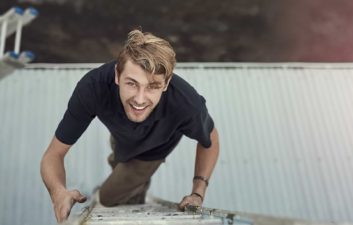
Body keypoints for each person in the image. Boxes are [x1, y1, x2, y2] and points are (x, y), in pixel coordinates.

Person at [40, 29, 219, 223]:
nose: (140, 99)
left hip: (153, 149)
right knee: (118, 157)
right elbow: (53, 154)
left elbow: (211, 141)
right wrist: (58, 192)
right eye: (132, 84)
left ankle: (135, 182)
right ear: (117, 75)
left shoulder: (186, 103)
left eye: (152, 87)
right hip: (120, 136)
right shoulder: (93, 88)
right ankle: (125, 173)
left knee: (107, 198)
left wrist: (198, 193)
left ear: (166, 84)